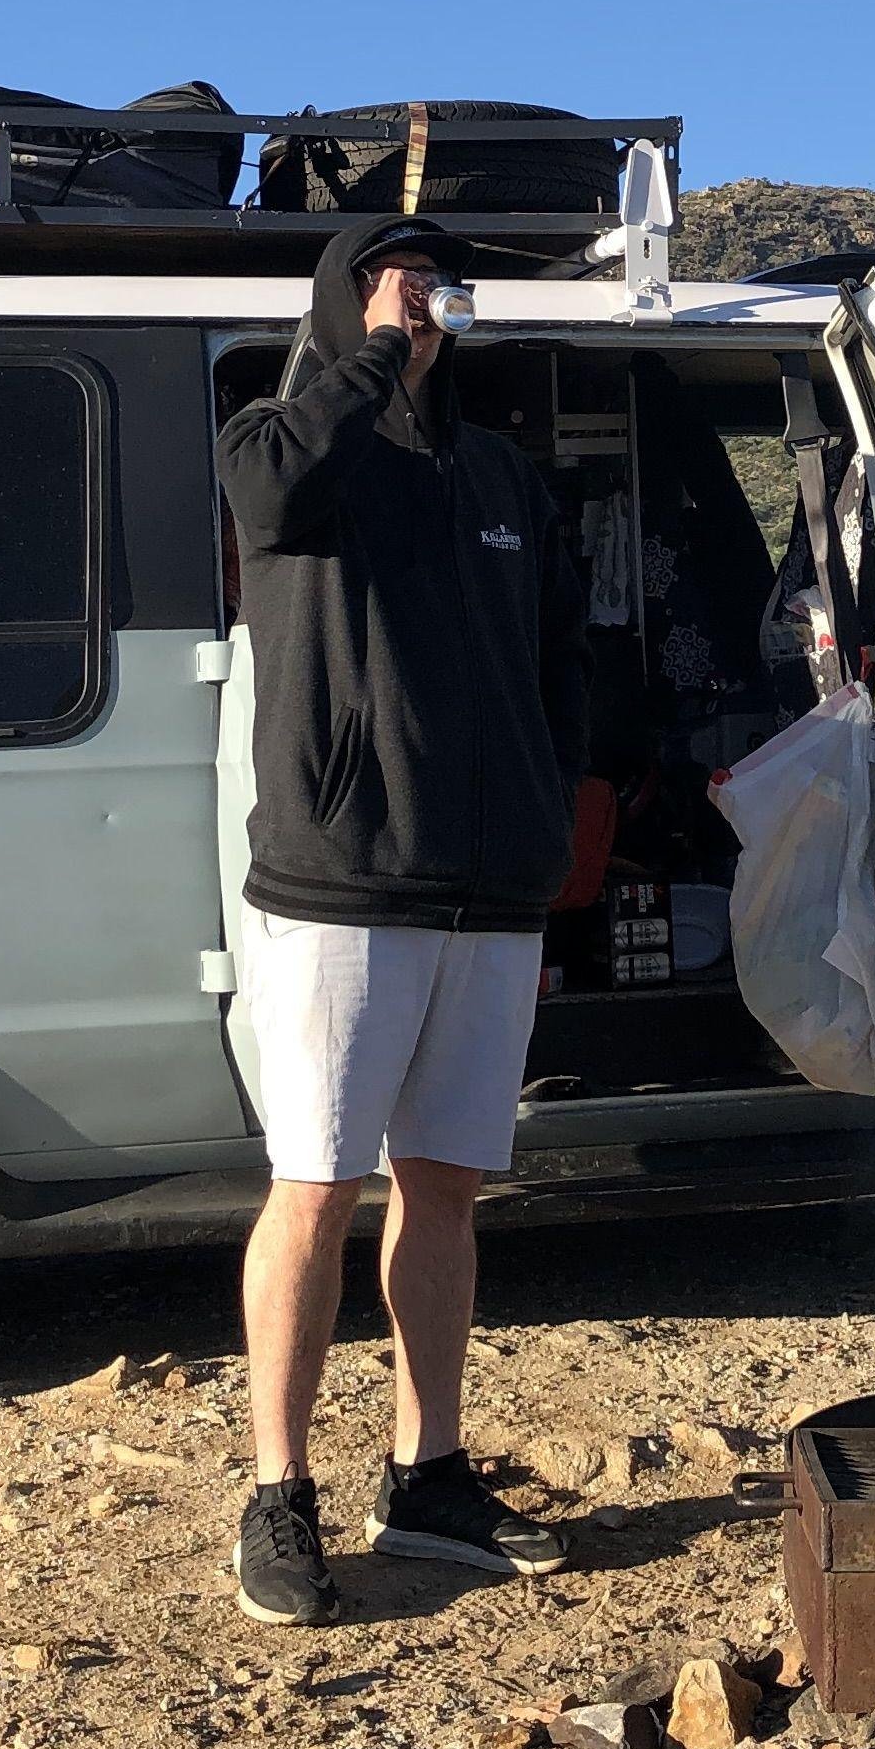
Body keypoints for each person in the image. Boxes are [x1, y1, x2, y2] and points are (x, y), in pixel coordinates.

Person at [216, 212, 587, 1626]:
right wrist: (363, 356)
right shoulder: (294, 442)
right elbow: (261, 500)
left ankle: (427, 1476)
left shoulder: (496, 472)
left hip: (487, 889)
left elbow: (559, 655)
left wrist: (555, 816)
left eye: (435, 280)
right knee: (315, 1184)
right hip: (343, 883)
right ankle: (277, 1491)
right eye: (394, 275)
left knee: (445, 1185)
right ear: (347, 299)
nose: (422, 298)